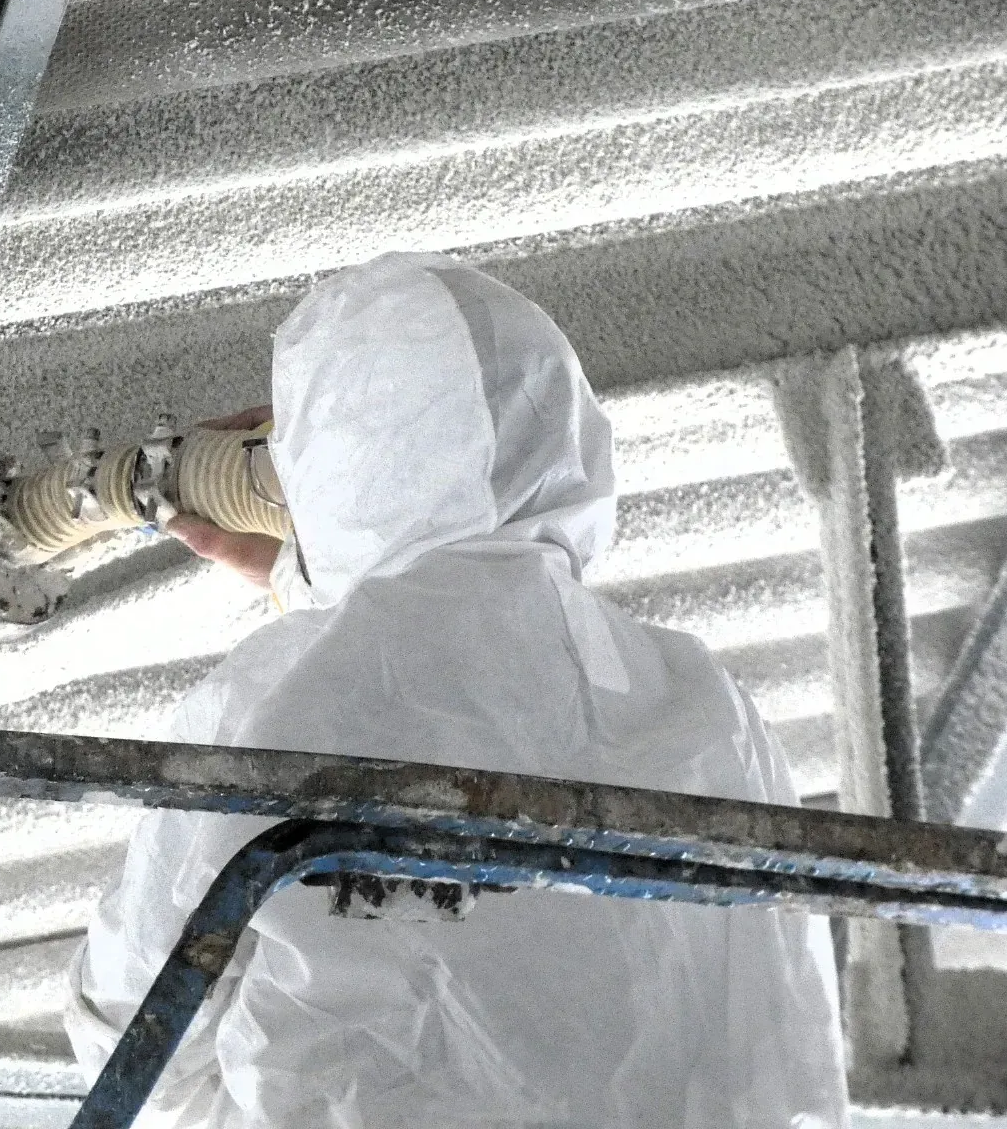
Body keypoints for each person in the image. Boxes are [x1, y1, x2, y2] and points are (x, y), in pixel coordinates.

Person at [64, 253, 849, 1128]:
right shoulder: (705, 695)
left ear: (331, 463)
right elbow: (792, 1028)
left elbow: (139, 1035)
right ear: (566, 430)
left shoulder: (282, 689)